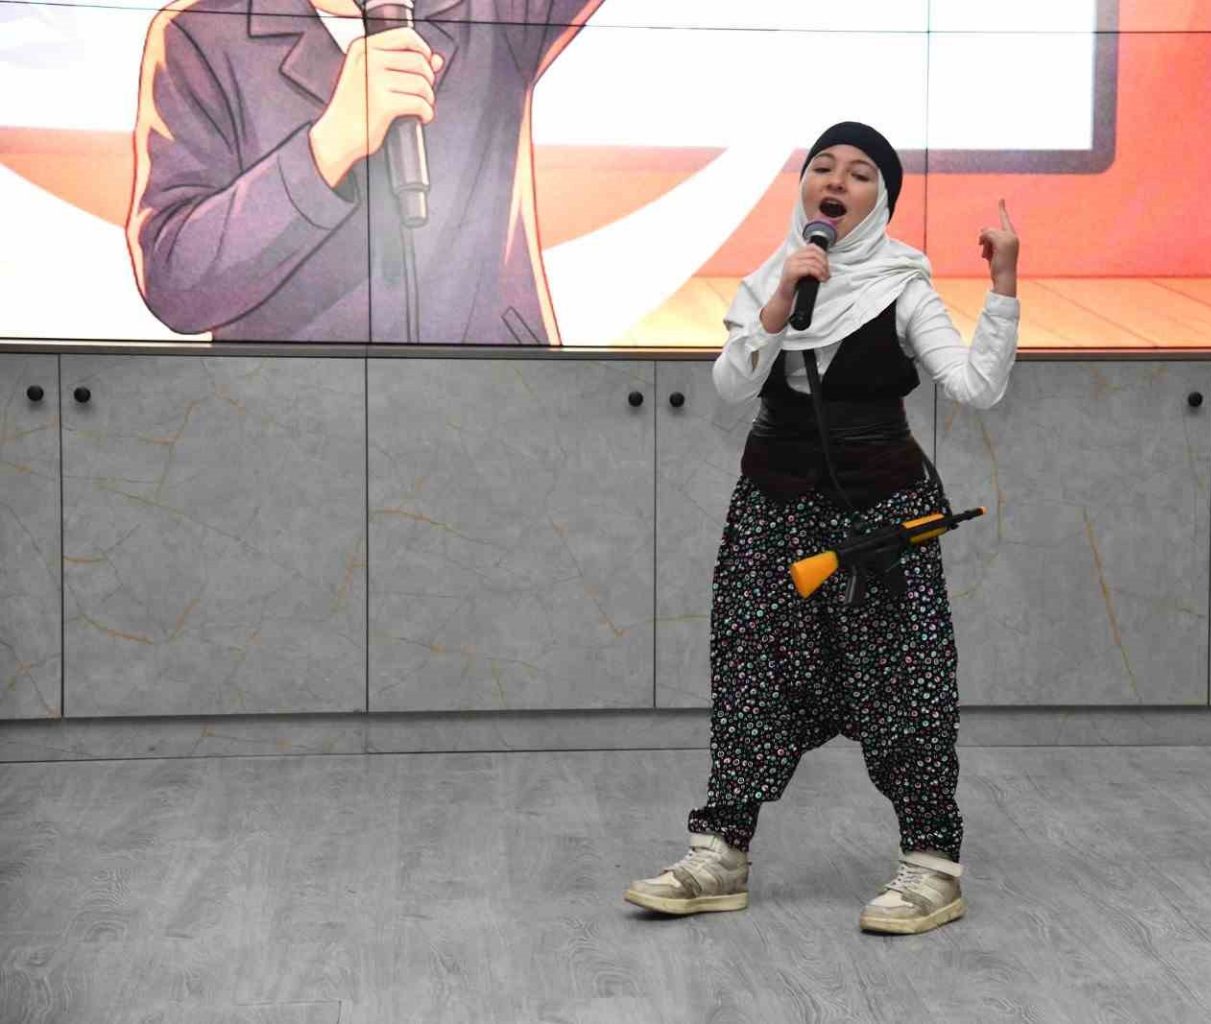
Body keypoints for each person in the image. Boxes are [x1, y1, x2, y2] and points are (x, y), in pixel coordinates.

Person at [623, 121, 1020, 935]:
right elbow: (732, 385)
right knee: (751, 676)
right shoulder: (774, 276)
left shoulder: (902, 284)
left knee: (905, 685)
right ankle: (719, 855)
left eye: (861, 172)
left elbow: (976, 386)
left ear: (882, 201)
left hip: (882, 515)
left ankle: (932, 865)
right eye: (823, 167)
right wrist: (779, 302)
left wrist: (1004, 282)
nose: (836, 181)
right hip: (774, 509)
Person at [127, 0, 597, 343]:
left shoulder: (490, 10)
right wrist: (326, 148)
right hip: (301, 421)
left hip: (490, 408)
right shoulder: (203, 32)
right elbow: (173, 283)